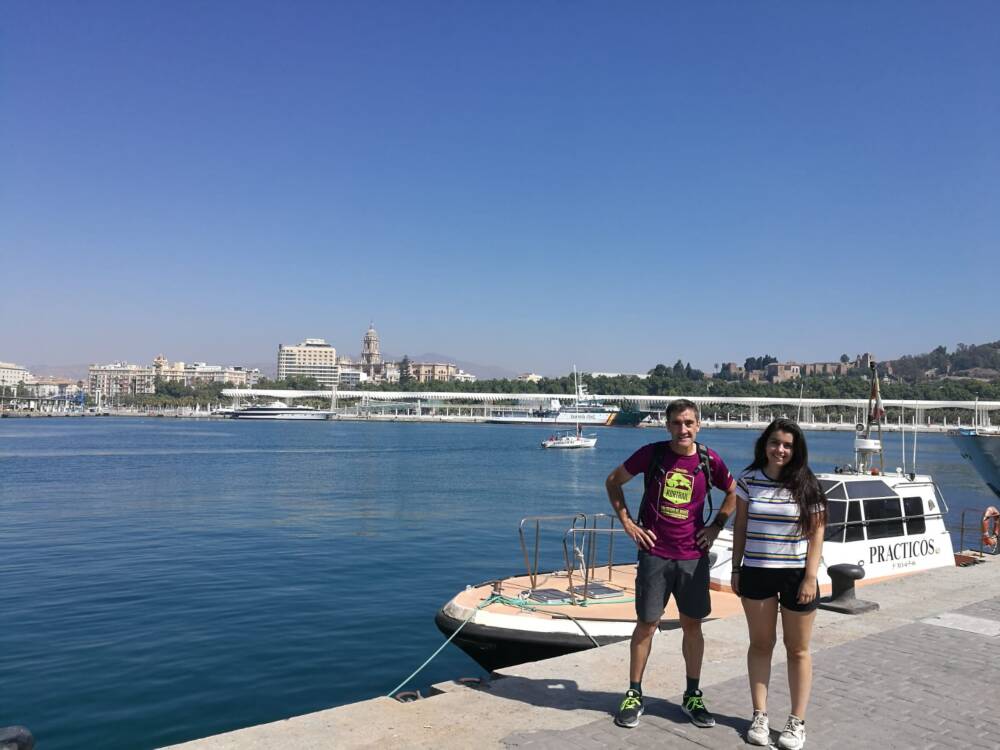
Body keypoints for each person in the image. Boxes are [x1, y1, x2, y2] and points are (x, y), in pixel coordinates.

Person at [606, 399, 737, 730]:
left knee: (693, 626)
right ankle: (634, 694)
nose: (684, 429)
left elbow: (736, 491)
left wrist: (717, 526)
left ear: (699, 425)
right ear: (667, 426)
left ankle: (692, 695)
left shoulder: (709, 460)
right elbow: (613, 481)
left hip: (692, 557)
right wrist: (628, 524)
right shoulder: (652, 454)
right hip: (655, 554)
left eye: (689, 423)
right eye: (677, 423)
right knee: (647, 624)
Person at [730, 419, 827, 750]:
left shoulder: (807, 484)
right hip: (757, 571)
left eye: (787, 445)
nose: (780, 450)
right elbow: (740, 526)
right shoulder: (748, 481)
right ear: (765, 444)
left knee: (797, 649)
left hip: (796, 575)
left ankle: (796, 721)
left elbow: (817, 533)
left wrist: (811, 576)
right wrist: (736, 568)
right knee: (761, 644)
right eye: (775, 443)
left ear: (796, 449)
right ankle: (760, 715)